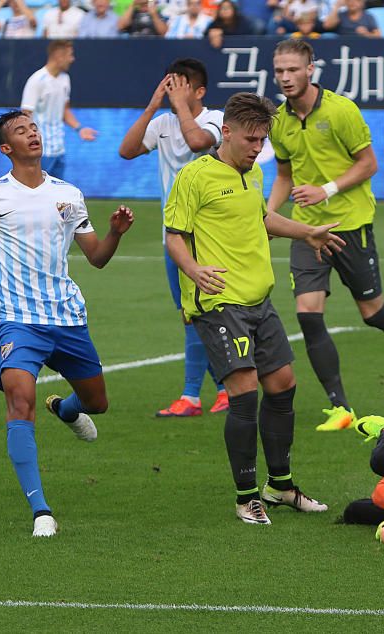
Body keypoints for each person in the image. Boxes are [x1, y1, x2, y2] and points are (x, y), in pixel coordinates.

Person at [0, 110, 134, 537]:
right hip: (17, 322)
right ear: (6, 148)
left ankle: (67, 409)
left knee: (97, 404)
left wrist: (116, 233)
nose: (32, 133)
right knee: (19, 401)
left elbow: (97, 258)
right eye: (21, 130)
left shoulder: (69, 194)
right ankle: (41, 511)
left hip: (66, 317)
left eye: (33, 127)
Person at [164, 92, 344, 525]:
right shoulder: (195, 177)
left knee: (282, 385)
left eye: (262, 140)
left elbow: (260, 219)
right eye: (250, 139)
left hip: (258, 301)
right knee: (244, 394)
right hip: (220, 301)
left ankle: (279, 486)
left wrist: (307, 233)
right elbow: (174, 235)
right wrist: (194, 269)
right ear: (226, 132)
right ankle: (246, 497)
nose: (257, 148)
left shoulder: (252, 175)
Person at [268, 39, 384, 430]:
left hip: (350, 224)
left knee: (372, 312)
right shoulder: (278, 120)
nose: (286, 78)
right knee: (308, 313)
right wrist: (269, 212)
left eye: (293, 70)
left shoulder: (341, 110)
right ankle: (340, 408)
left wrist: (325, 190)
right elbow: (284, 175)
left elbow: (369, 164)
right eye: (279, 71)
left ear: (311, 69)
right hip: (307, 230)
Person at [118, 58, 228, 418]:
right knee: (189, 314)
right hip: (173, 235)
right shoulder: (163, 122)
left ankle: (192, 396)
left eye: (179, 87)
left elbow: (197, 142)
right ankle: (227, 389)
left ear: (199, 91)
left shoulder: (215, 119)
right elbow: (127, 150)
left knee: (205, 313)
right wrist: (153, 106)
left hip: (208, 236)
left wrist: (180, 105)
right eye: (169, 87)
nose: (171, 94)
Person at [19, 41, 97, 181]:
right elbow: (25, 116)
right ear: (59, 56)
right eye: (70, 55)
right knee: (35, 194)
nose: (72, 59)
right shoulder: (37, 80)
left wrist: (79, 129)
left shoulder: (65, 79)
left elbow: (64, 111)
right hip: (40, 151)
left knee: (56, 197)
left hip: (59, 149)